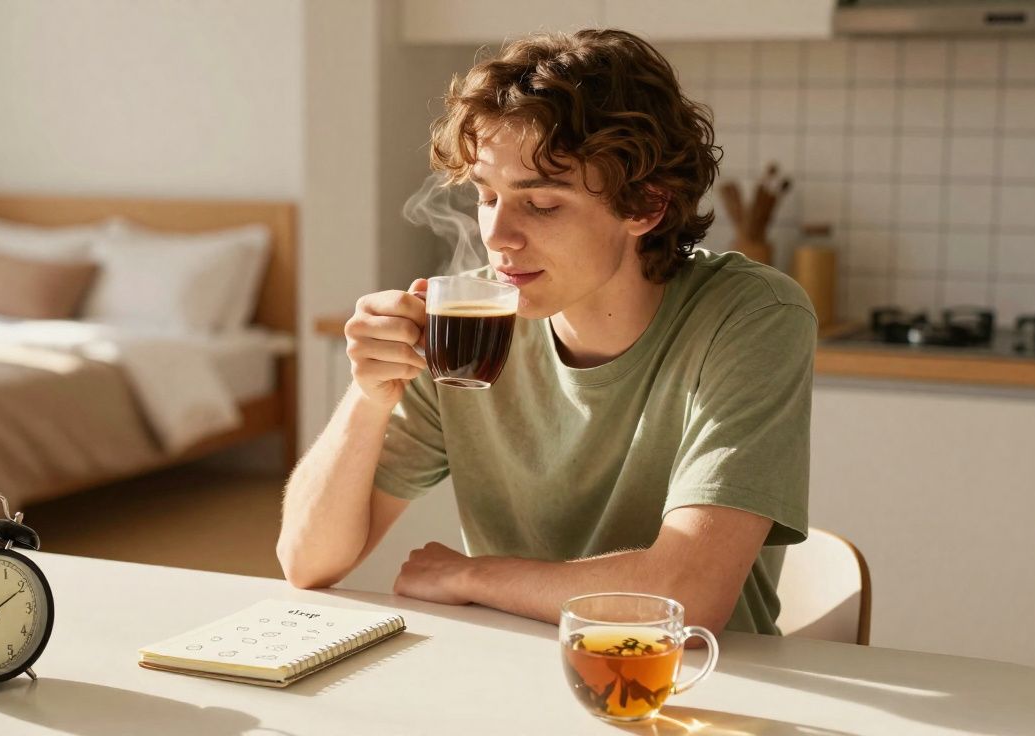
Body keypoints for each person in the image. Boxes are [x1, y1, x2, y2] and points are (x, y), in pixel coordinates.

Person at [276, 28, 815, 635]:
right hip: (513, 672)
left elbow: (685, 596)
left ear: (646, 205)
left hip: (700, 678)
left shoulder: (751, 316)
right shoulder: (467, 320)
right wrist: (369, 396)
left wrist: (473, 577)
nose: (497, 236)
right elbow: (307, 561)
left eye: (542, 204)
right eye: (487, 197)